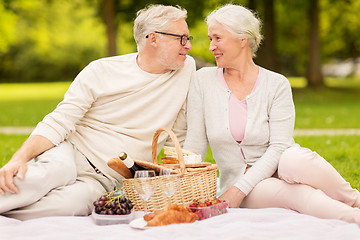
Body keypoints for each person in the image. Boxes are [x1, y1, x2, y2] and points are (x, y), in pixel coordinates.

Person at [0, 4, 195, 220]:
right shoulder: (101, 70)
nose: (188, 46)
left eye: (188, 38)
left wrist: (171, 181)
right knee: (49, 173)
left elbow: (176, 135)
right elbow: (60, 120)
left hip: (104, 179)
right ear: (153, 38)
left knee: (73, 204)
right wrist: (19, 158)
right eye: (182, 38)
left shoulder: (186, 70)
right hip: (72, 152)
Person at [183, 4, 360, 224]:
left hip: (282, 163)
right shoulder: (203, 81)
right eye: (211, 39)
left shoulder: (277, 84)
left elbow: (279, 146)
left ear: (243, 39)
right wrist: (180, 181)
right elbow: (195, 145)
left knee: (296, 159)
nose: (211, 47)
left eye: (217, 38)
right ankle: (355, 218)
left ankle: (355, 200)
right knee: (301, 195)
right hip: (246, 185)